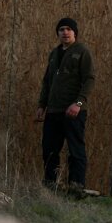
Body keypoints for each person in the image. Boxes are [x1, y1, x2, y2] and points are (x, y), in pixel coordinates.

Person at [36, 17, 95, 192]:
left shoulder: (82, 51)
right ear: (58, 33)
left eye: (69, 29)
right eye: (61, 29)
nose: (65, 32)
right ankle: (50, 184)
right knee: (49, 149)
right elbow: (47, 81)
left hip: (74, 111)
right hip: (54, 111)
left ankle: (76, 186)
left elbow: (90, 79)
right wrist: (42, 105)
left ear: (75, 32)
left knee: (75, 149)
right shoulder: (54, 54)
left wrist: (78, 103)